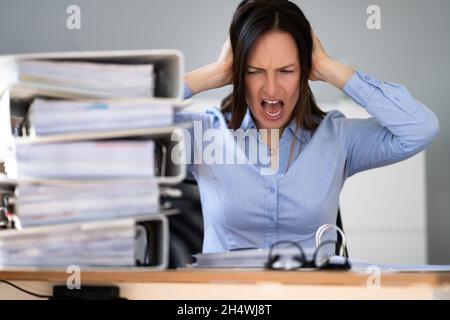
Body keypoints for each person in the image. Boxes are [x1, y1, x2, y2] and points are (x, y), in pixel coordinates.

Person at [176, 0, 439, 253]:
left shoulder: (337, 138)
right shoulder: (204, 136)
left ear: (305, 72)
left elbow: (420, 128)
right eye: (254, 71)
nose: (270, 88)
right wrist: (215, 71)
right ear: (238, 73)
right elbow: (133, 119)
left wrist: (328, 67)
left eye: (287, 71)